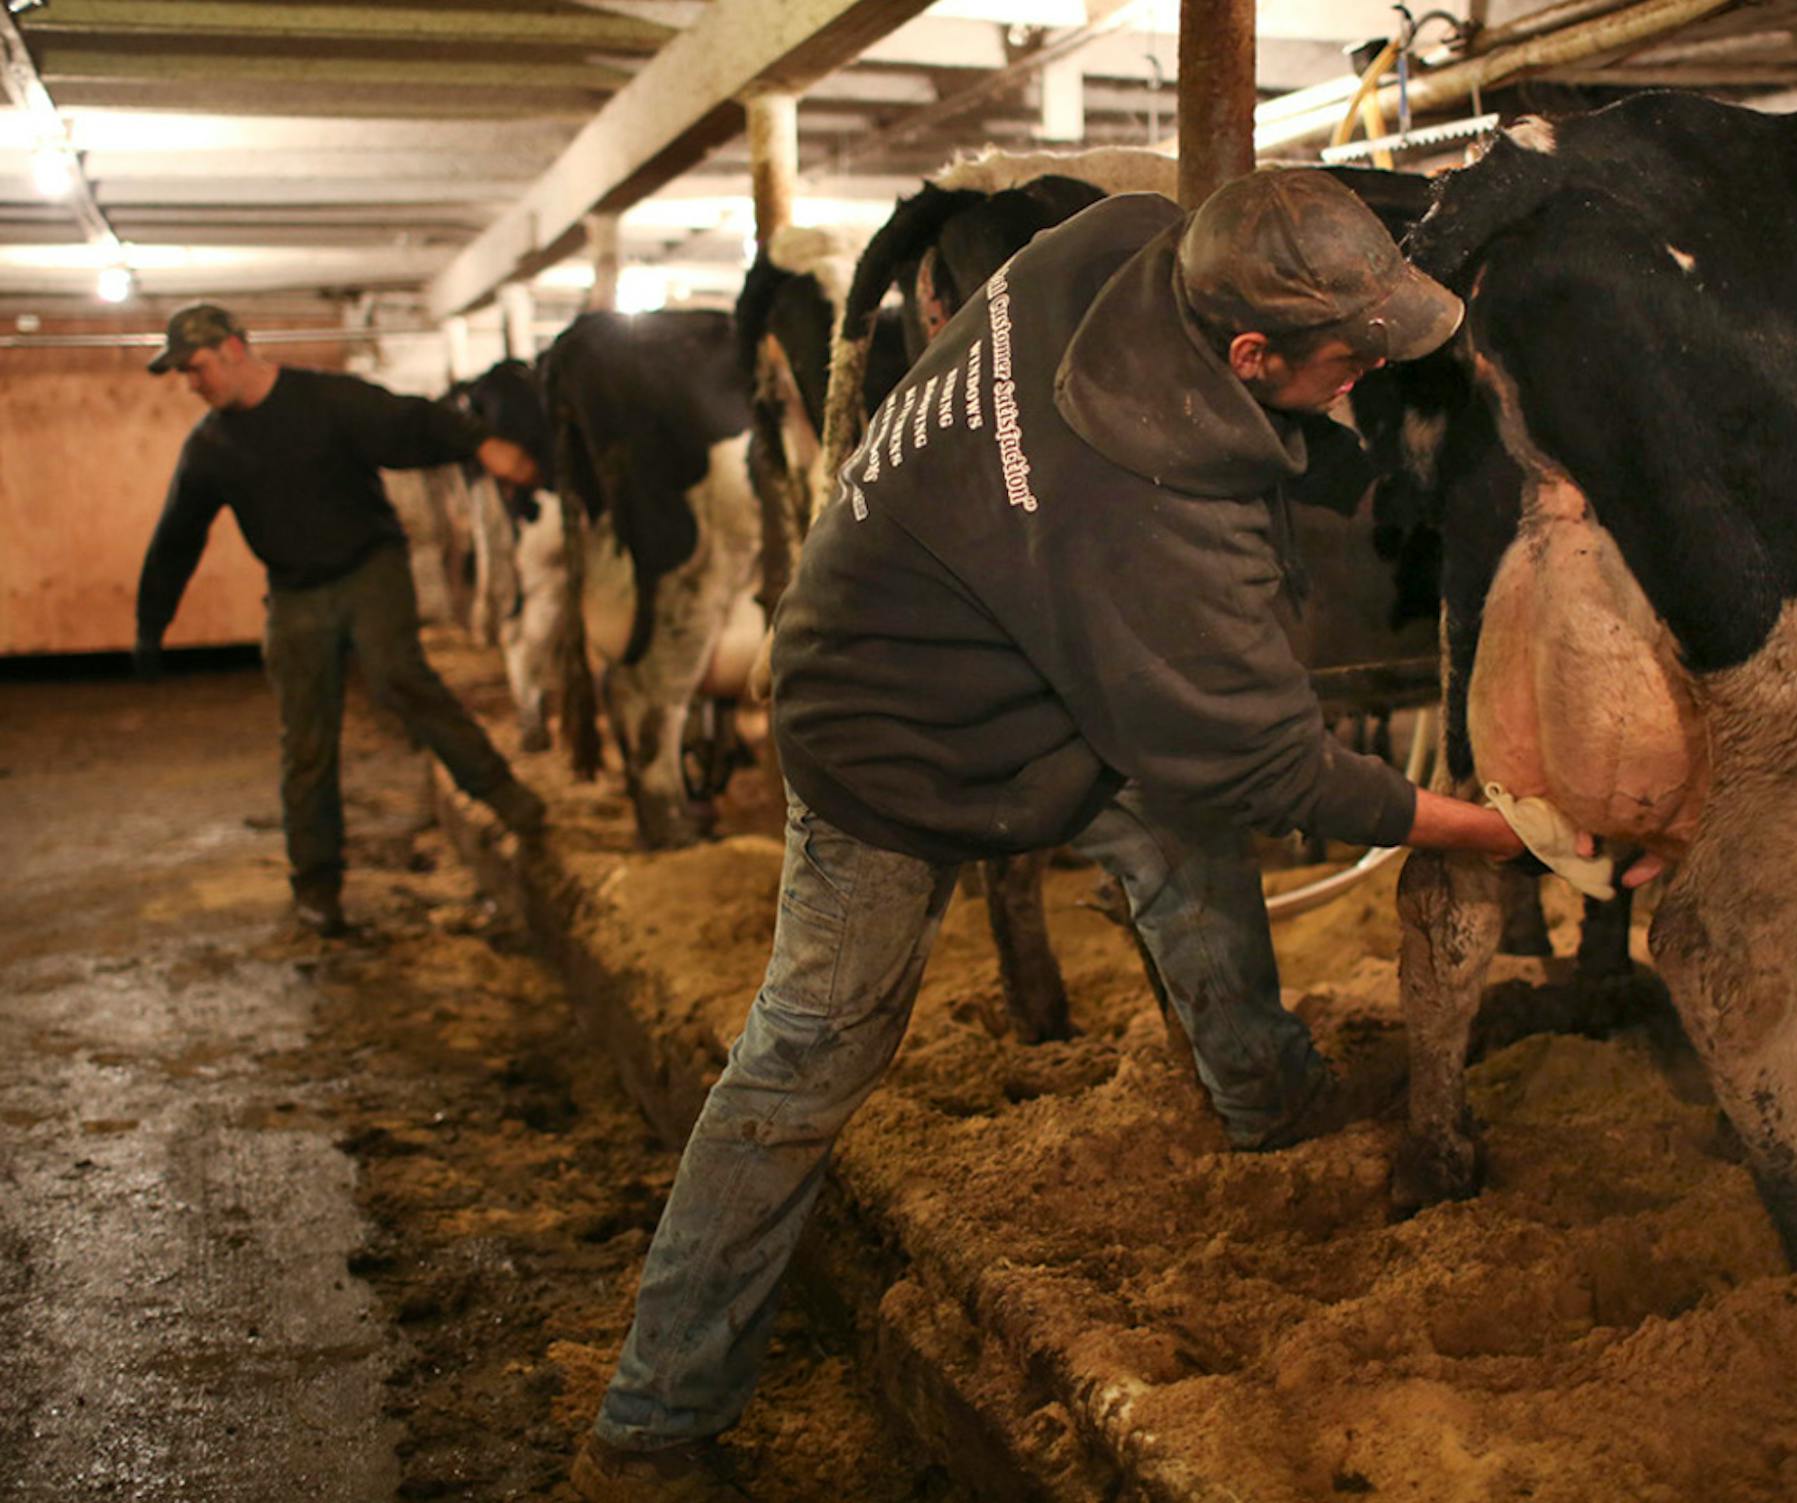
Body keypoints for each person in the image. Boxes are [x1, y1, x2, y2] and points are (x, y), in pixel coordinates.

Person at [571, 170, 1529, 1503]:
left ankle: (1268, 1095)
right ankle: (657, 1414)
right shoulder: (1146, 508)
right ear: (1247, 354)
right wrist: (1491, 823)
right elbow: (1269, 760)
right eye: (1346, 357)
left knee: (1180, 828)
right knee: (806, 1056)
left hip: (999, 629)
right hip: (885, 732)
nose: (1364, 376)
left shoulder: (1139, 233)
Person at [135, 303, 548, 937]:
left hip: (369, 566)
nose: (192, 385)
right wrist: (150, 626)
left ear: (234, 349)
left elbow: (405, 422)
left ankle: (510, 801)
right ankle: (317, 886)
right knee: (305, 737)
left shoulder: (324, 401)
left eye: (195, 369)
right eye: (184, 376)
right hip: (295, 593)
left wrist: (482, 443)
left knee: (398, 678)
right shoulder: (210, 448)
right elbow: (176, 539)